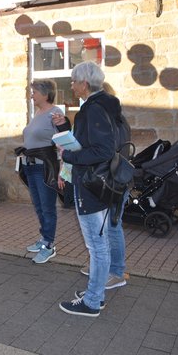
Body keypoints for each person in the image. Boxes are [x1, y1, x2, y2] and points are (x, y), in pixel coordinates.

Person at [58, 61, 121, 317]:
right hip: (100, 182)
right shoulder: (105, 105)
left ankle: (93, 301)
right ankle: (96, 293)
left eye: (74, 81)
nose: (72, 86)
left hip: (90, 183)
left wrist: (69, 156)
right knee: (100, 244)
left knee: (97, 246)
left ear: (85, 83)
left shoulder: (92, 109)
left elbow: (102, 150)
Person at [76, 81, 128, 290]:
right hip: (115, 178)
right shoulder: (117, 118)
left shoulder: (106, 118)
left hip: (110, 179)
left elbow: (103, 150)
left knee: (112, 227)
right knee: (107, 227)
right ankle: (104, 268)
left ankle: (116, 272)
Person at [19, 79, 70, 264]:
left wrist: (63, 171)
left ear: (45, 94)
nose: (31, 95)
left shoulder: (55, 113)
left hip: (45, 167)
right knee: (39, 206)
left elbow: (65, 139)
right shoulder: (38, 113)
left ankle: (49, 245)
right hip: (30, 166)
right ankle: (44, 238)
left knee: (47, 207)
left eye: (34, 92)